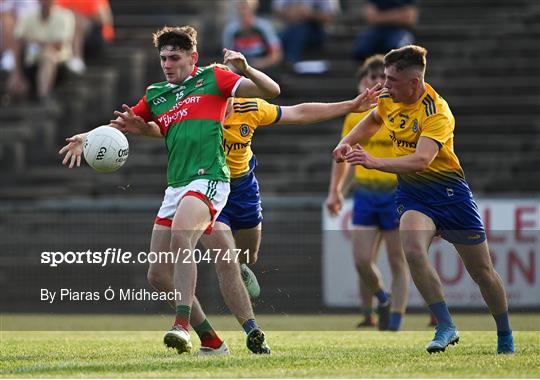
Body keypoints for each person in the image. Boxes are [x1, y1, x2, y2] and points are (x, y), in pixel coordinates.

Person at [59, 25, 280, 355]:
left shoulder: (215, 79)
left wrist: (246, 68)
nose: (166, 64)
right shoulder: (156, 94)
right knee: (158, 275)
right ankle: (211, 340)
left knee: (184, 237)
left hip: (210, 178)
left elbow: (271, 91)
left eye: (174, 57)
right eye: (162, 58)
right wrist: (87, 136)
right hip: (177, 185)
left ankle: (183, 326)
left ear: (192, 58)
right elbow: (123, 123)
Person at [333, 45, 515, 354]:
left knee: (482, 273)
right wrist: (346, 142)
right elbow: (375, 120)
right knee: (414, 251)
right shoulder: (390, 99)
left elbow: (421, 160)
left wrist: (375, 162)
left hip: (450, 195)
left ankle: (505, 334)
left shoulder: (436, 111)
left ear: (414, 82)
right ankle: (446, 326)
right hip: (414, 195)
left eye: (392, 79)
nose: (385, 86)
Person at [326, 54, 408, 331]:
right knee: (362, 260)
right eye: (373, 78)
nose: (378, 83)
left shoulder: (401, 112)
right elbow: (342, 155)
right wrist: (335, 191)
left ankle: (394, 322)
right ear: (365, 82)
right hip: (366, 195)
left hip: (396, 194)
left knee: (398, 260)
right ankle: (380, 301)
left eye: (382, 78)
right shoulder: (355, 118)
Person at [6, 0, 75, 102]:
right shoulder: (28, 16)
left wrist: (32, 40)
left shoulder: (65, 16)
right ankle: (40, 97)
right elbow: (18, 41)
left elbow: (58, 45)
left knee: (48, 55)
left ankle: (43, 96)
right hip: (32, 63)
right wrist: (16, 73)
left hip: (59, 66)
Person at [272, 0, 339, 71]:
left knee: (301, 29)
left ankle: (291, 60)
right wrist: (291, 13)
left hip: (315, 31)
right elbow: (276, 12)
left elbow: (330, 17)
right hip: (288, 30)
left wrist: (310, 14)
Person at [56, 0, 115, 73]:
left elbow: (105, 19)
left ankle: (77, 58)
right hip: (67, 34)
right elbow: (55, 14)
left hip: (98, 36)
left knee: (78, 22)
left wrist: (81, 16)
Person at [223, 0, 283, 72]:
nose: (243, 11)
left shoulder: (264, 27)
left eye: (245, 7)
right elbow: (228, 57)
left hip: (264, 71)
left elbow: (277, 55)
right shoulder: (231, 30)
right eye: (240, 7)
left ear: (253, 7)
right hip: (241, 71)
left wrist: (261, 63)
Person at [352, 0, 418, 62]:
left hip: (400, 31)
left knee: (397, 50)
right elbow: (371, 18)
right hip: (377, 31)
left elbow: (410, 18)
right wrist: (398, 14)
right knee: (361, 49)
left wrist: (381, 16)